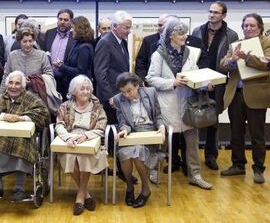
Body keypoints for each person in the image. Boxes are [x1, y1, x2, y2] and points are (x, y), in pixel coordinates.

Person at [146, 17, 212, 190]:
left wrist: (204, 82)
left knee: (192, 142)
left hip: (187, 103)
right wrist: (172, 83)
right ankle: (152, 171)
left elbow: (196, 73)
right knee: (162, 142)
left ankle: (195, 175)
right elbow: (150, 78)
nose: (184, 36)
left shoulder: (191, 52)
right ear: (170, 36)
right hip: (167, 104)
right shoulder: (158, 54)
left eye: (184, 32)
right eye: (180, 33)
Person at [0, 70, 50, 201]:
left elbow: (44, 115)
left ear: (23, 86)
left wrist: (21, 118)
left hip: (22, 138)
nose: (13, 86)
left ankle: (19, 188)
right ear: (7, 85)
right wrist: (4, 116)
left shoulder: (31, 98)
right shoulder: (1, 98)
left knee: (21, 146)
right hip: (2, 137)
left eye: (17, 83)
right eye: (11, 83)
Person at [220, 13, 270, 184]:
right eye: (245, 26)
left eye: (252, 26)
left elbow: (267, 64)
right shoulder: (236, 44)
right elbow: (223, 63)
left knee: (257, 135)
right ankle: (238, 165)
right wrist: (233, 61)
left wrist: (247, 57)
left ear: (260, 27)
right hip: (236, 94)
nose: (248, 29)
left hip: (256, 95)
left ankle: (258, 169)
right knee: (236, 133)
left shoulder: (267, 43)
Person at [192, 1, 239, 170]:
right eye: (210, 11)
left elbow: (229, 62)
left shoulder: (231, 35)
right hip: (196, 81)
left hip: (218, 82)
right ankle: (191, 157)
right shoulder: (198, 30)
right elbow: (191, 57)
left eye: (216, 12)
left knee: (213, 120)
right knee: (192, 117)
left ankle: (211, 156)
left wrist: (213, 79)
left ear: (224, 15)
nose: (212, 15)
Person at [55, 75, 107, 215]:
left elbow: (101, 128)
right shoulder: (65, 106)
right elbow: (59, 125)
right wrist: (67, 138)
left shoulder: (97, 107)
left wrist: (85, 136)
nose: (86, 92)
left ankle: (80, 197)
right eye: (82, 89)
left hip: (90, 140)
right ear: (74, 91)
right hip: (70, 140)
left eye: (88, 89)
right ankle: (86, 194)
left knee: (84, 156)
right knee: (69, 155)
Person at [113, 72, 166, 208]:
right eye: (123, 92)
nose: (126, 95)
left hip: (150, 134)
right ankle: (130, 187)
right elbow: (123, 122)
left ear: (137, 85)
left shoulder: (151, 92)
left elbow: (158, 115)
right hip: (132, 133)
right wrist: (124, 130)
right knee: (124, 153)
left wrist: (161, 126)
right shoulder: (119, 99)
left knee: (137, 152)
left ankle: (145, 189)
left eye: (129, 90)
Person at [94, 10, 132, 125]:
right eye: (126, 28)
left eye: (129, 28)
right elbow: (100, 72)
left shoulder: (123, 42)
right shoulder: (105, 42)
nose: (129, 31)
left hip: (122, 94)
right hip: (110, 99)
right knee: (111, 131)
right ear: (115, 26)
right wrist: (109, 96)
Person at [0, 27, 54, 94]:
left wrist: (33, 81)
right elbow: (6, 76)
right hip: (16, 95)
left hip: (36, 96)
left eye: (30, 41)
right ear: (19, 42)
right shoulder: (12, 55)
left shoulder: (41, 55)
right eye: (24, 41)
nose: (28, 44)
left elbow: (50, 75)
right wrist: (0, 95)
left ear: (34, 41)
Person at [54, 16, 94, 100]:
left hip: (80, 90)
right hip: (72, 87)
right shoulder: (77, 43)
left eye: (72, 27)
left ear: (80, 29)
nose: (71, 30)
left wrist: (62, 67)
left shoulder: (84, 47)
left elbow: (80, 71)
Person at [44, 9, 75, 97]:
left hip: (68, 79)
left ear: (71, 21)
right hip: (51, 79)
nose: (62, 22)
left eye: (66, 20)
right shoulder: (49, 33)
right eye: (60, 19)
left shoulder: (75, 36)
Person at [135, 14, 171, 81]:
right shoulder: (148, 40)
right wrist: (142, 80)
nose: (160, 27)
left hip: (172, 83)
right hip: (150, 81)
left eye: (162, 25)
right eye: (159, 25)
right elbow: (140, 62)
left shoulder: (178, 42)